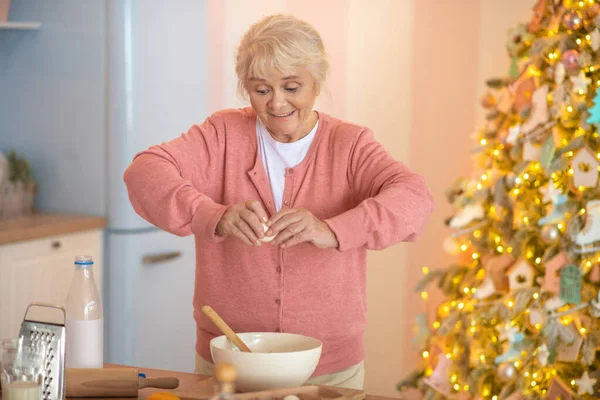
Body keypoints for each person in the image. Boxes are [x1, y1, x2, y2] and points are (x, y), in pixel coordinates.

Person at [123, 14, 434, 390]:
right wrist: (211, 215)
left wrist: (332, 229)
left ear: (316, 83)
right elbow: (144, 171)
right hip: (228, 362)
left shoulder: (349, 145)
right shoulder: (222, 134)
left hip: (330, 368)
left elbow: (415, 197)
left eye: (291, 87)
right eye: (261, 89)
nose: (277, 103)